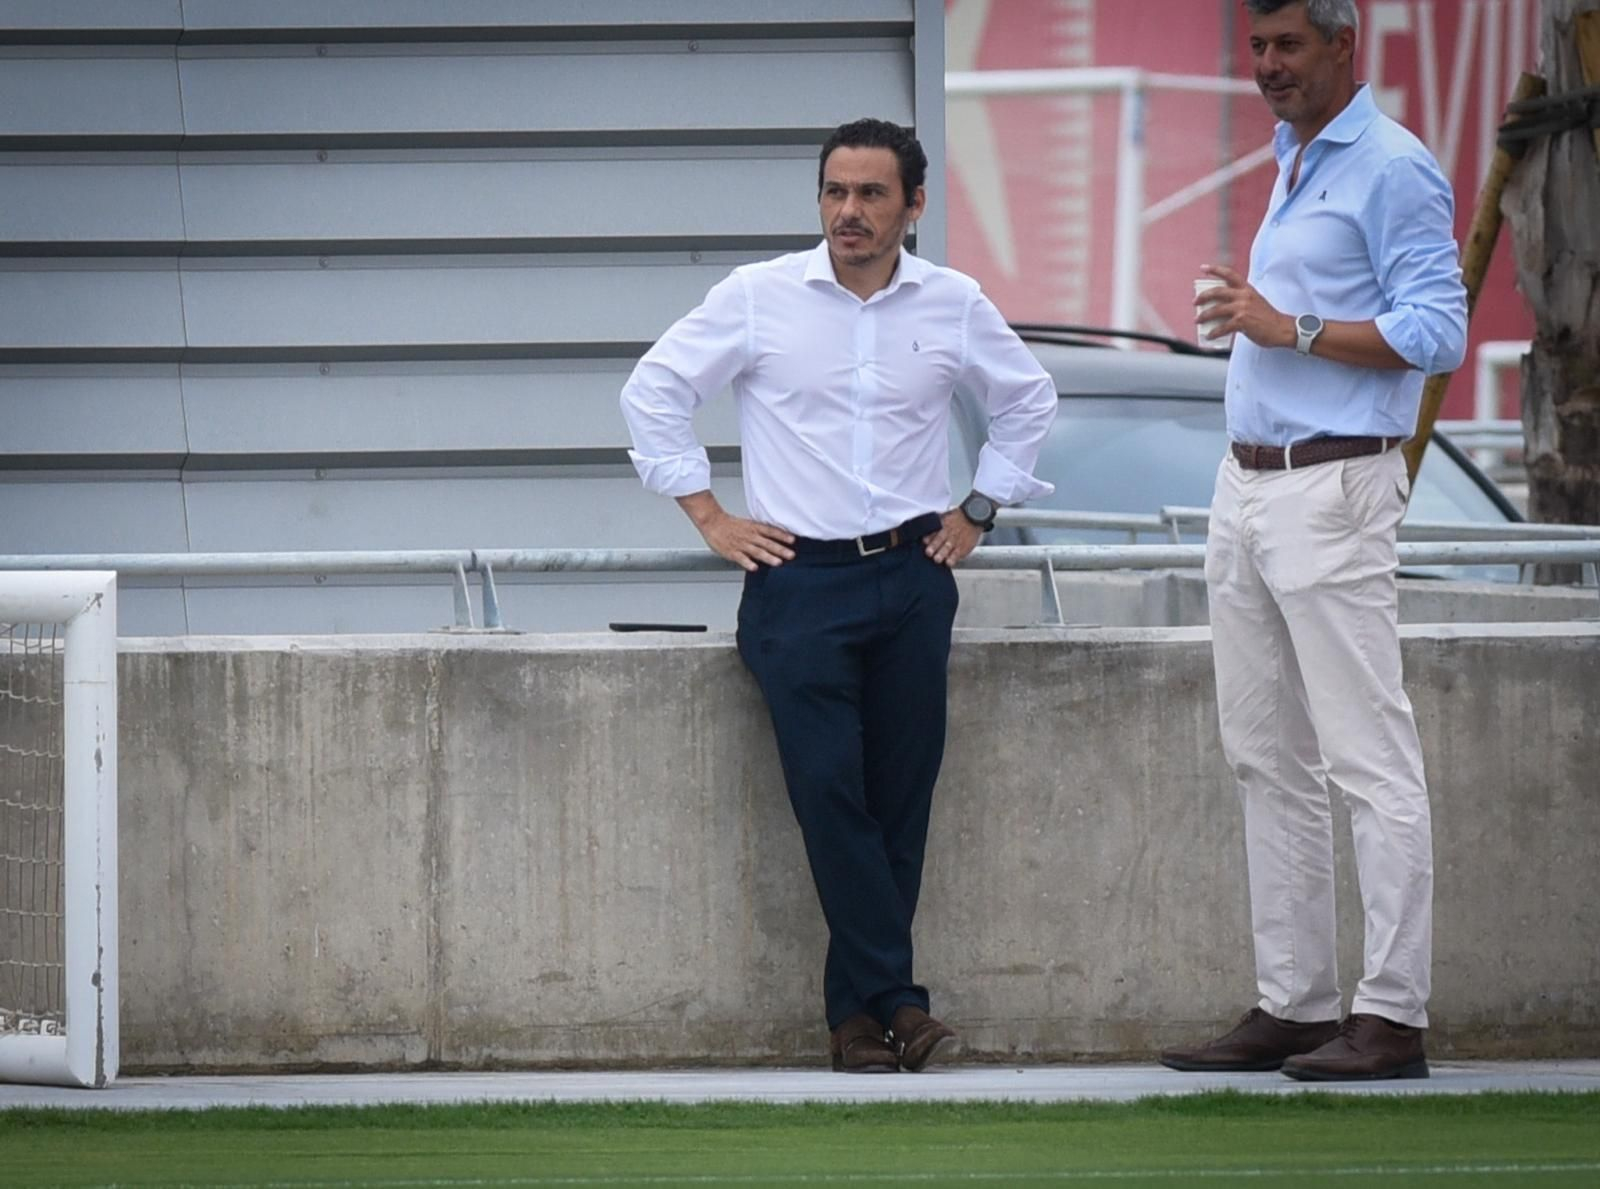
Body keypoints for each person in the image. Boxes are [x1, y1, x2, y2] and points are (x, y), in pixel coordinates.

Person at [620, 117, 1056, 1072]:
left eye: (869, 194)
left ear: (913, 205)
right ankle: (900, 1002)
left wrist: (980, 507)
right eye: (834, 192)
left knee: (900, 798)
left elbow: (1028, 399)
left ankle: (856, 1023)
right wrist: (709, 517)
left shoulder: (953, 303)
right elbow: (653, 390)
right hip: (794, 581)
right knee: (829, 794)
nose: (848, 211)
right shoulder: (758, 297)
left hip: (911, 575)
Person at [1159, 0, 1467, 1082]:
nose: (1268, 66)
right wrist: (1264, 322)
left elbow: (1437, 334)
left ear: (1346, 47)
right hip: (1245, 484)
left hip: (1334, 484)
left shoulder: (1391, 166)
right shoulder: (1292, 155)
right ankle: (1293, 1003)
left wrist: (1280, 325)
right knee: (1263, 754)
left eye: (1289, 45)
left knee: (1365, 759)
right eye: (1257, 47)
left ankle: (1390, 1013)